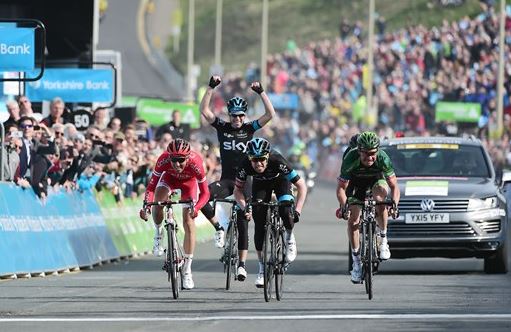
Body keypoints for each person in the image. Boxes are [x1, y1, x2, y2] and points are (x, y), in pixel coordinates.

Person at [199, 75, 276, 282]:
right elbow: (205, 111)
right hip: (226, 180)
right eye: (234, 116)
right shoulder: (222, 127)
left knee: (244, 219)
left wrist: (261, 92)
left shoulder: (249, 128)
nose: (237, 120)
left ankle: (242, 265)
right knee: (202, 197)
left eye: (241, 116)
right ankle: (219, 228)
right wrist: (211, 87)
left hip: (245, 182)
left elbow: (270, 114)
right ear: (229, 115)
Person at [233, 137, 307, 287]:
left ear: (267, 157)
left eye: (261, 159)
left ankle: (289, 237)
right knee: (259, 225)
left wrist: (297, 210)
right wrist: (244, 206)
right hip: (261, 185)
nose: (258, 163)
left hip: (281, 182)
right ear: (249, 158)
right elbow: (237, 191)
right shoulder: (245, 165)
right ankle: (261, 269)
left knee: (286, 210)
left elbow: (302, 186)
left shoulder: (277, 160)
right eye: (254, 160)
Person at [139, 138, 210, 290]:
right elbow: (151, 187)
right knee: (158, 202)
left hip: (188, 184)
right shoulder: (163, 160)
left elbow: (205, 193)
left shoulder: (196, 162)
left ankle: (187, 270)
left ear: (188, 157)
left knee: (189, 221)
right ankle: (158, 234)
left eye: (181, 160)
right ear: (168, 157)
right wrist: (146, 207)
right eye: (174, 160)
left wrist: (196, 208)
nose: (177, 164)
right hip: (169, 180)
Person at [335, 131, 400, 284]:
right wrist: (344, 206)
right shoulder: (350, 157)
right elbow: (341, 189)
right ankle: (356, 263)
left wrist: (395, 204)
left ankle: (383, 239)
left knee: (380, 201)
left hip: (376, 180)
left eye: (373, 153)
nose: (370, 157)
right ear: (359, 151)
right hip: (356, 183)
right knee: (353, 219)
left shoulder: (383, 157)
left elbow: (394, 186)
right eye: (366, 154)